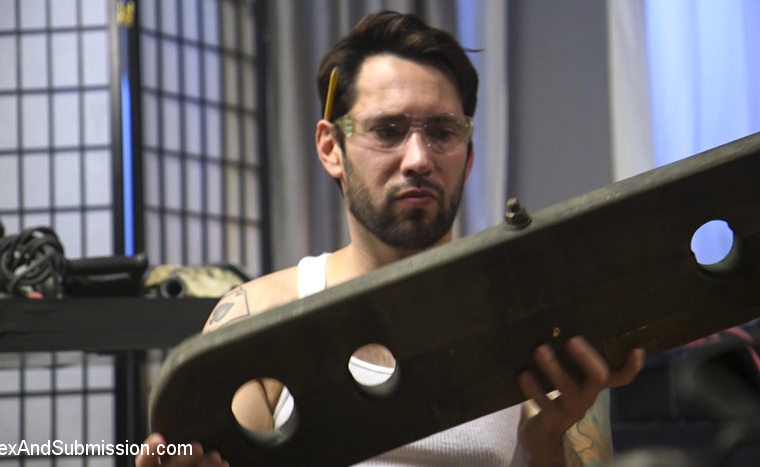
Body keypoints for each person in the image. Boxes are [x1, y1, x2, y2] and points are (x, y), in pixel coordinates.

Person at [137, 10, 643, 467]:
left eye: (442, 132)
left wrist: (543, 444)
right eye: (387, 130)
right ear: (331, 148)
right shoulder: (257, 321)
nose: (418, 158)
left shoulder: (531, 316)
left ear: (468, 156)